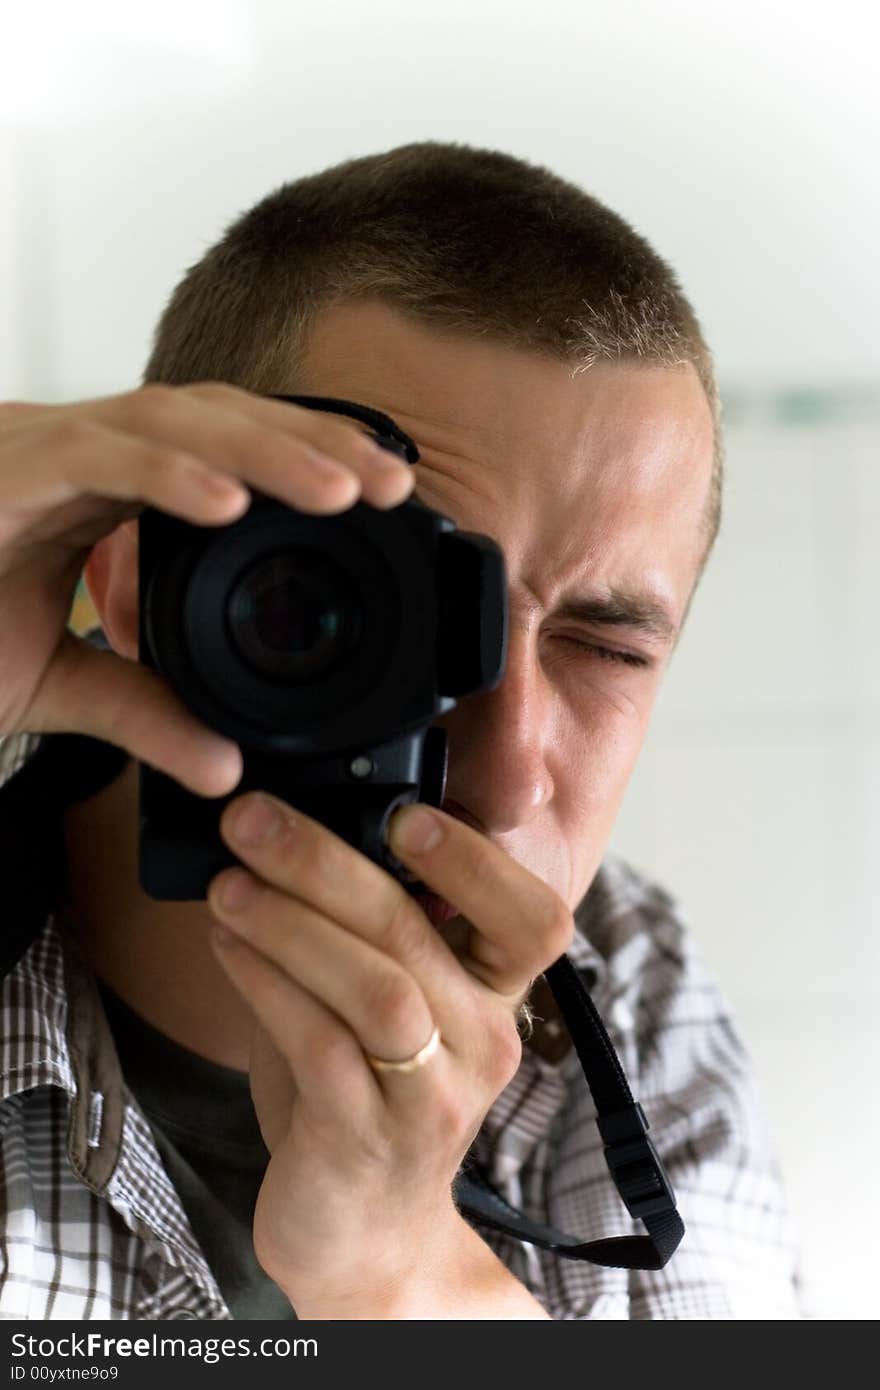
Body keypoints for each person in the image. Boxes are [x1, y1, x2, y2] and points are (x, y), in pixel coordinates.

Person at [0, 141, 805, 1320]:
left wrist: (406, 1275)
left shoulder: (630, 981)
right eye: (384, 611)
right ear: (136, 586)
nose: (507, 771)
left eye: (606, 647)